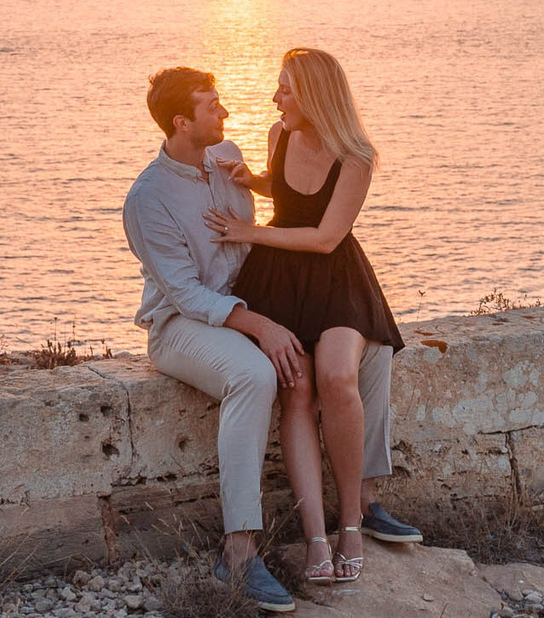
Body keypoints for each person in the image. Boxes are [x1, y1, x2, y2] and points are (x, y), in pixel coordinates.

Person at [122, 67, 423, 615]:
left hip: (255, 298)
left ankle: (365, 500)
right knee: (259, 374)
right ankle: (239, 550)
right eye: (214, 105)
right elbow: (189, 296)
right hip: (184, 324)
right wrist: (262, 325)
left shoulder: (223, 154)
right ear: (181, 122)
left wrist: (253, 184)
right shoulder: (148, 198)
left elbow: (285, 199)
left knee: (373, 348)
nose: (227, 112)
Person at [205, 49, 405, 586]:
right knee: (296, 390)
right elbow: (288, 189)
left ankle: (352, 524)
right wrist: (252, 181)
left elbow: (324, 236)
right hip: (280, 280)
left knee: (338, 377)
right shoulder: (279, 134)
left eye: (286, 90)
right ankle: (316, 536)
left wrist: (248, 232)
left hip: (335, 278)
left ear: (315, 95)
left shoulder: (358, 156)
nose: (276, 99)